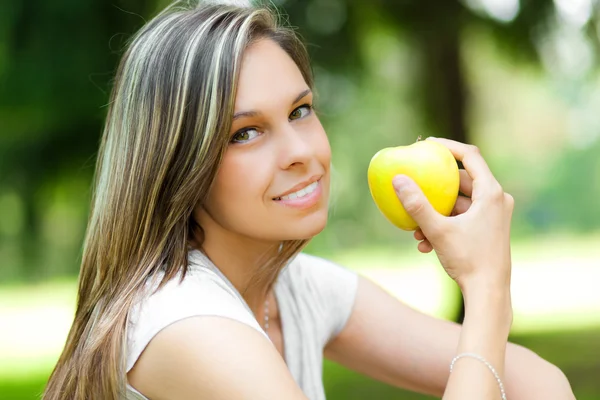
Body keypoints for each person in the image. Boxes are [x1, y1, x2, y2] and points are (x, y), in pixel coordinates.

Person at [43, 1, 575, 399]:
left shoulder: (293, 287)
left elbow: (542, 385)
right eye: (244, 133)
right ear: (177, 164)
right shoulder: (184, 324)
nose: (301, 152)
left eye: (300, 112)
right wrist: (485, 287)